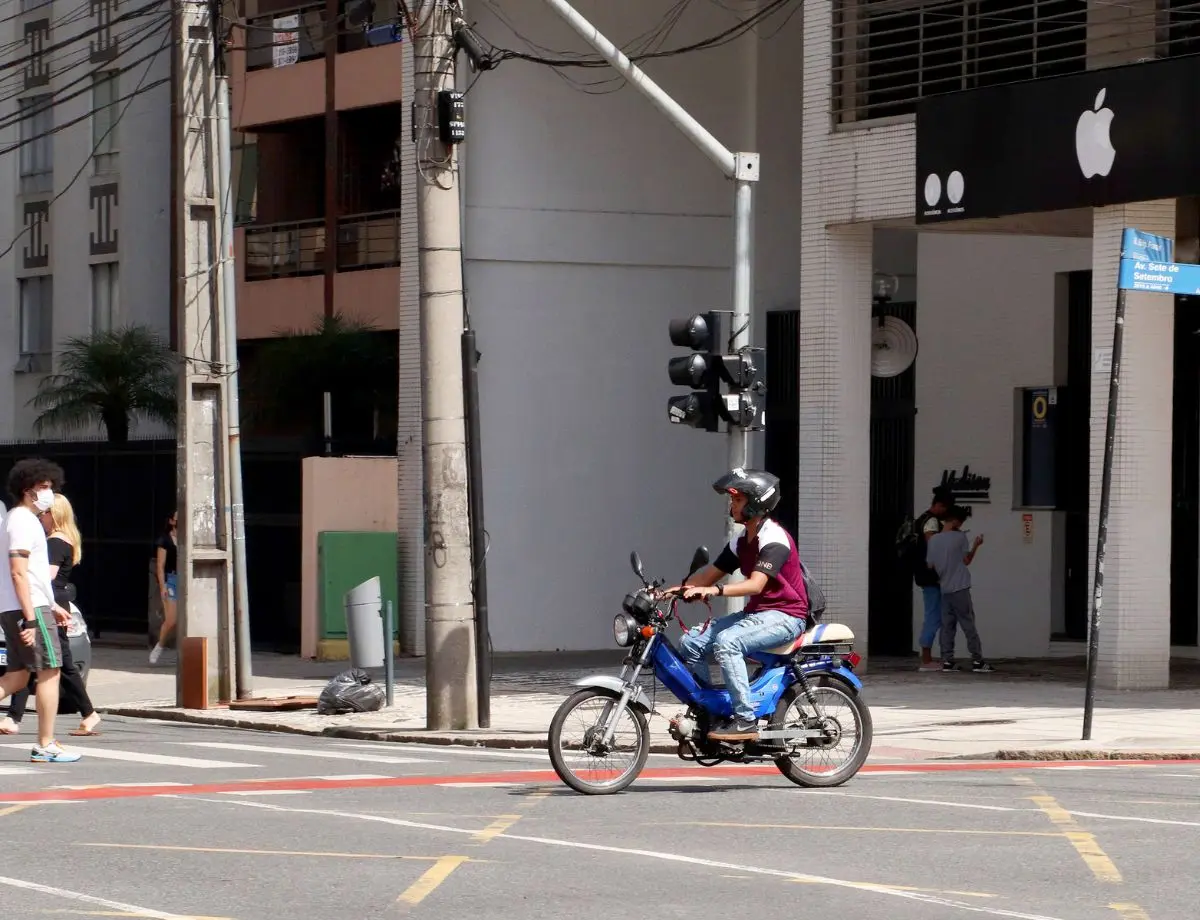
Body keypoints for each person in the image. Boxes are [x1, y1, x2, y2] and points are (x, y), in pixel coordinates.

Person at [666, 468, 810, 743]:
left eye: (738, 500)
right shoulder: (741, 541)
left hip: (786, 616)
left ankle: (745, 720)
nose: (732, 505)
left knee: (728, 642)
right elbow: (708, 576)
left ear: (756, 503)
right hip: (758, 615)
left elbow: (755, 585)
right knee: (691, 642)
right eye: (732, 500)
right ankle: (709, 712)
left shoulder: (774, 539)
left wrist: (715, 590)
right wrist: (671, 591)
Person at [0, 459, 82, 763]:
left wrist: (52, 605)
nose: (49, 493)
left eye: (50, 486)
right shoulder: (23, 521)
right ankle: (45, 744)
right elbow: (18, 571)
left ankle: (46, 743)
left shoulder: (16, 519)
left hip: (20, 605)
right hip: (27, 608)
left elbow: (31, 575)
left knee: (18, 678)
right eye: (43, 487)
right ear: (27, 489)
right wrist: (32, 619)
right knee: (50, 671)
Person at [0, 493, 100, 736]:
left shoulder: (54, 541)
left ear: (54, 515)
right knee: (43, 667)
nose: (42, 515)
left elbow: (42, 577)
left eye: (45, 513)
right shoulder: (50, 533)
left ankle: (27, 724)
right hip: (43, 604)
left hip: (43, 604)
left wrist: (48, 608)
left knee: (50, 667)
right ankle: (37, 729)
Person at [925, 505, 993, 673]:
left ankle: (947, 661)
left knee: (947, 626)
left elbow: (930, 565)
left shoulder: (933, 540)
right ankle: (978, 661)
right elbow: (966, 560)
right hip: (960, 586)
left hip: (944, 588)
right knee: (968, 624)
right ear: (956, 521)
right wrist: (976, 545)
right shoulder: (960, 537)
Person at [908, 487, 953, 672]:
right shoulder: (931, 522)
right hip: (930, 577)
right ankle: (926, 660)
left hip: (926, 575)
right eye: (945, 508)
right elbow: (933, 546)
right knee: (933, 616)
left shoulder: (922, 519)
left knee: (934, 615)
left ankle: (928, 657)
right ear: (939, 505)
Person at [150, 510, 177, 665]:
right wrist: (162, 587)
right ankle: (159, 646)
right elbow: (160, 566)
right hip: (172, 579)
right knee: (171, 619)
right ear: (172, 521)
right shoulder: (165, 540)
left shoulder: (187, 539)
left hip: (186, 579)